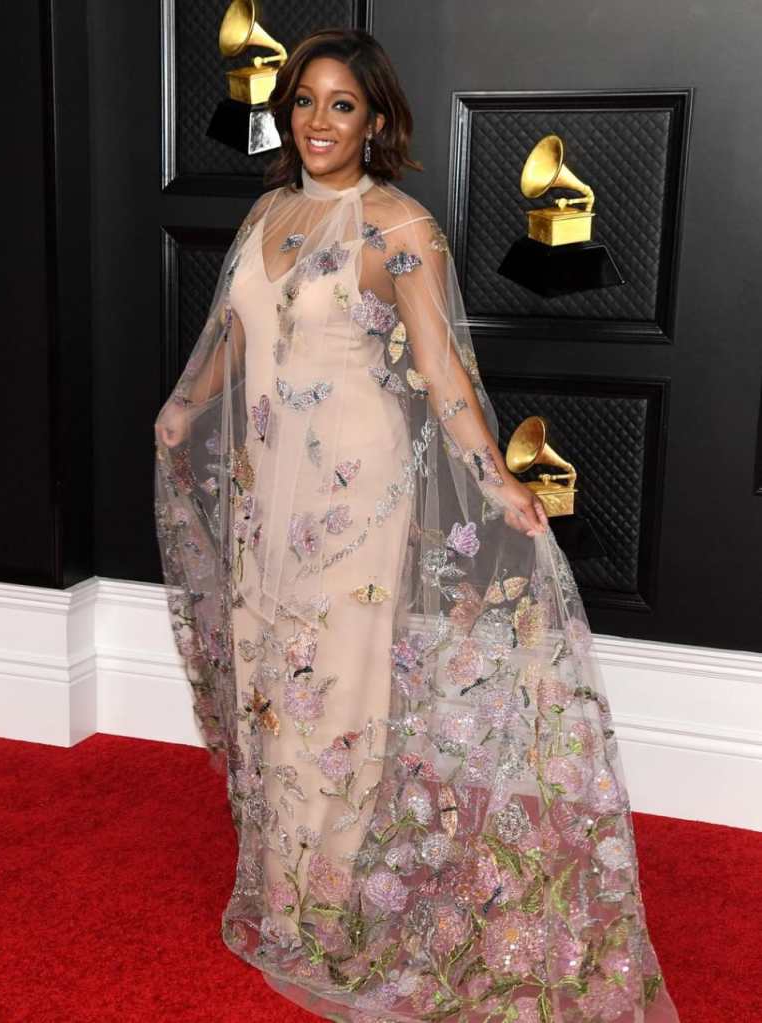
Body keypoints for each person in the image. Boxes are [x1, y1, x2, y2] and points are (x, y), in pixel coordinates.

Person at [153, 27, 680, 1023]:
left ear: (377, 120)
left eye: (342, 105)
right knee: (273, 686)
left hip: (354, 499)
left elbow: (443, 378)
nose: (318, 121)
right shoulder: (268, 211)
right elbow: (232, 333)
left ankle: (327, 905)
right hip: (267, 496)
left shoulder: (400, 228)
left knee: (336, 695)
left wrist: (498, 480)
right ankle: (285, 888)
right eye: (304, 101)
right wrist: (186, 407)